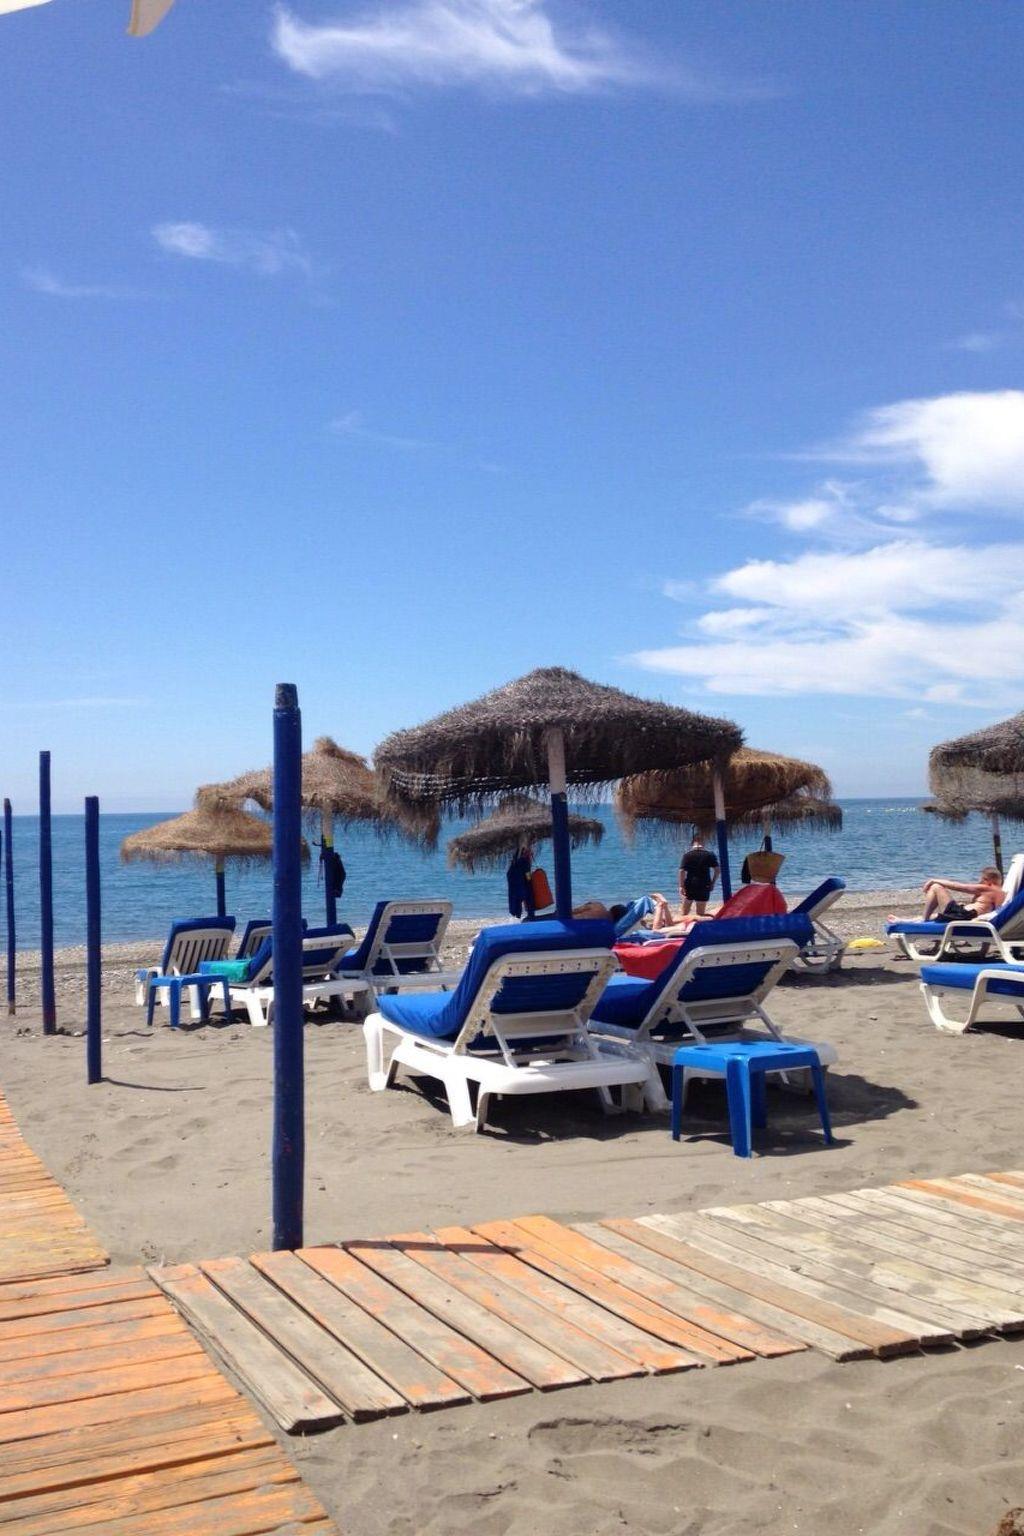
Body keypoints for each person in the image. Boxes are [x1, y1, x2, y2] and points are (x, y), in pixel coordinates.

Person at [889, 867, 1004, 925]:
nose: (981, 881)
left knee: (936, 887)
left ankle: (923, 920)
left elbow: (960, 886)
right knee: (935, 916)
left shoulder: (989, 888)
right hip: (965, 914)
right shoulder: (1001, 893)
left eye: (982, 879)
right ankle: (903, 921)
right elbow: (991, 910)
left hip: (964, 915)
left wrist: (933, 880)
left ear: (988, 880)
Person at [679, 833, 719, 916]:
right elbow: (717, 870)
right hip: (704, 884)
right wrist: (713, 882)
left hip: (690, 884)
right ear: (703, 842)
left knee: (684, 912)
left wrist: (681, 886)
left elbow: (682, 871)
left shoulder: (687, 855)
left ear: (692, 842)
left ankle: (684, 923)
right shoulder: (710, 855)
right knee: (700, 914)